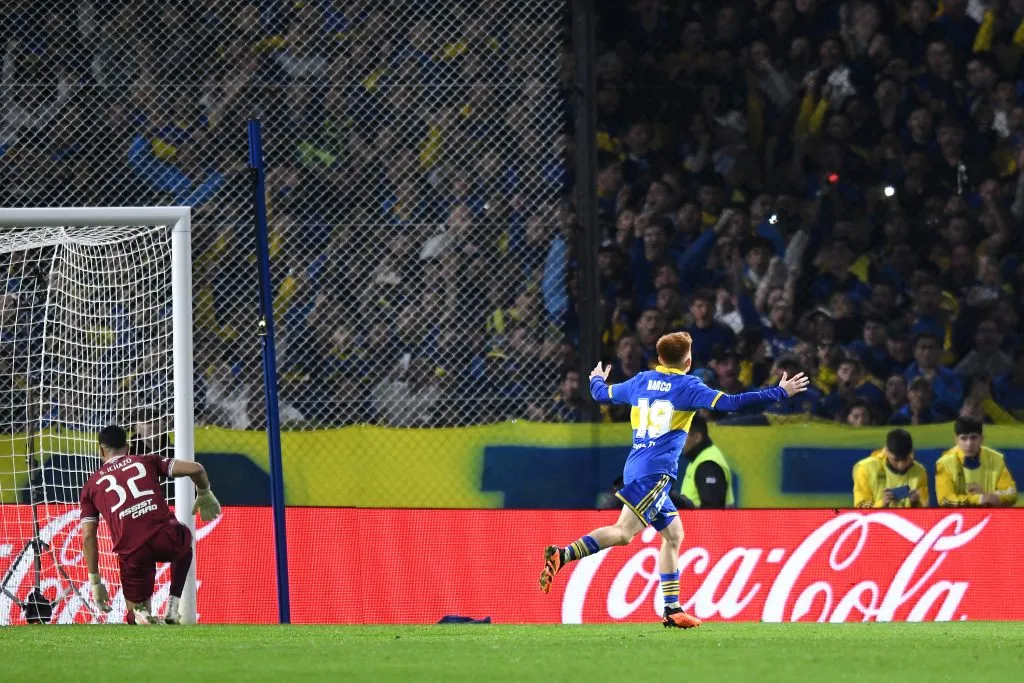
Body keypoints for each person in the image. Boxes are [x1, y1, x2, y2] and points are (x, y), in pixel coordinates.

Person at [538, 331, 808, 629]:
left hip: (637, 467)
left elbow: (601, 395)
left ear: (660, 358)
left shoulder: (641, 380)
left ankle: (672, 609)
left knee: (673, 535)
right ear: (688, 361)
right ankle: (563, 555)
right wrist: (778, 392)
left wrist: (596, 379)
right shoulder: (688, 386)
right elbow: (732, 403)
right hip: (655, 474)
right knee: (624, 533)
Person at [80, 425, 222, 625]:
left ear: (101, 450)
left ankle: (139, 613)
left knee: (135, 613)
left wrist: (95, 582)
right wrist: (205, 492)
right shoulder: (147, 460)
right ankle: (173, 606)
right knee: (185, 538)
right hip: (164, 536)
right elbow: (196, 468)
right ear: (127, 447)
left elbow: (88, 537)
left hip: (132, 551)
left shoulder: (90, 487)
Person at [935, 418, 1018, 507]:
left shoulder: (996, 459)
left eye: (973, 437)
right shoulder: (944, 463)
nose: (969, 444)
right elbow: (944, 500)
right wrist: (979, 499)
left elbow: (1011, 493)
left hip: (991, 517)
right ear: (956, 440)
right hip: (958, 518)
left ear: (981, 439)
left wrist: (987, 496)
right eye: (963, 438)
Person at [852, 428, 929, 509]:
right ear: (886, 450)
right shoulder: (866, 468)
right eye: (896, 460)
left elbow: (925, 509)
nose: (901, 465)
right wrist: (882, 504)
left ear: (911, 452)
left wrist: (916, 503)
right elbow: (860, 510)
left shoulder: (920, 471)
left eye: (906, 459)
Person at [673, 414, 734, 509]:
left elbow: (712, 510)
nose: (679, 441)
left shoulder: (708, 464)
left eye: (683, 436)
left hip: (706, 523)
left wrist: (678, 501)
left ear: (697, 437)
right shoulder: (699, 458)